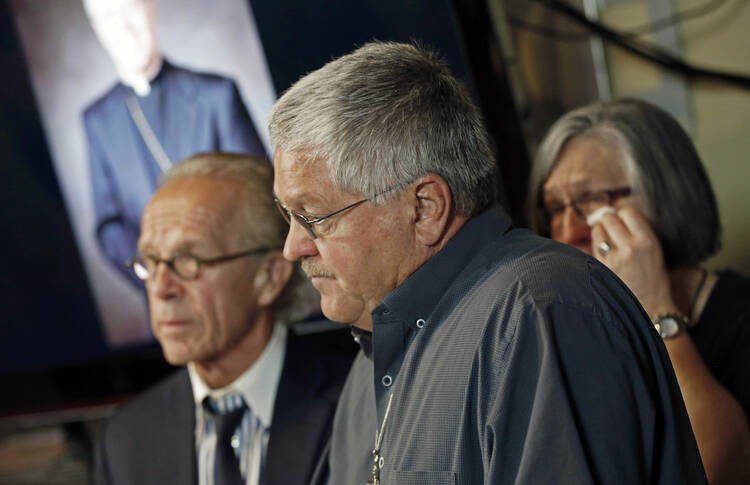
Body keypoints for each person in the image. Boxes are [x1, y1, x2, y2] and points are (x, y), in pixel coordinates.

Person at [268, 41, 707, 484]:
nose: (293, 247)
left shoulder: (540, 311)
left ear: (424, 208)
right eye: (288, 216)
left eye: (312, 217)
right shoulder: (371, 360)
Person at [92, 153, 356, 485]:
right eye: (150, 261)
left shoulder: (356, 400)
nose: (160, 288)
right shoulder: (126, 440)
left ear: (268, 278)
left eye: (187, 260)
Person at [527, 98, 750, 484]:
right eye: (554, 209)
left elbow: (715, 471)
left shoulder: (740, 317)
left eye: (590, 201)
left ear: (664, 195)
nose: (566, 232)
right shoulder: (584, 330)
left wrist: (655, 307)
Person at [82, 0, 265, 287]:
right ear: (97, 29)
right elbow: (109, 226)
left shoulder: (216, 95)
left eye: (130, 11)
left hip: (234, 282)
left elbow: (260, 194)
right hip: (161, 293)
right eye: (108, 17)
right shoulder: (97, 120)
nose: (123, 28)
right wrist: (156, 268)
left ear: (150, 9)